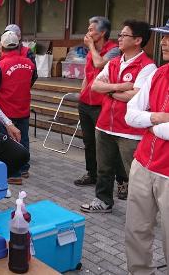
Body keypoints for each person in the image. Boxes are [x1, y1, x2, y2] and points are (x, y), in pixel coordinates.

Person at [80, 20, 156, 213]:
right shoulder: (114, 62)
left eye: (124, 35)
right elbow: (95, 86)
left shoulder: (147, 67)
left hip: (130, 130)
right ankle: (103, 201)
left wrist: (109, 91)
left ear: (138, 40)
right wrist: (120, 87)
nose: (119, 39)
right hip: (105, 123)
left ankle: (143, 209)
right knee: (104, 168)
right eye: (120, 35)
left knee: (135, 173)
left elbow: (137, 96)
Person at [124, 20, 169, 275]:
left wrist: (150, 125)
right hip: (142, 163)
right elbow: (131, 115)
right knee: (136, 230)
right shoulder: (158, 73)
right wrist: (156, 119)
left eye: (168, 37)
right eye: (163, 37)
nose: (162, 42)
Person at [74, 17, 128, 197]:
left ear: (102, 32)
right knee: (89, 142)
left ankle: (122, 181)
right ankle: (92, 173)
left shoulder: (113, 50)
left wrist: (90, 46)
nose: (88, 33)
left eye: (91, 29)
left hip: (102, 104)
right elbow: (88, 75)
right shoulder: (92, 51)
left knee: (110, 144)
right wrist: (81, 96)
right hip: (86, 103)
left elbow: (99, 64)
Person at [0, 31, 35, 184]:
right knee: (24, 138)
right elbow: (31, 80)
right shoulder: (29, 64)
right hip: (24, 108)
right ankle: (24, 167)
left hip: (6, 111)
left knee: (8, 142)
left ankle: (13, 173)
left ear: (2, 46)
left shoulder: (0, 65)